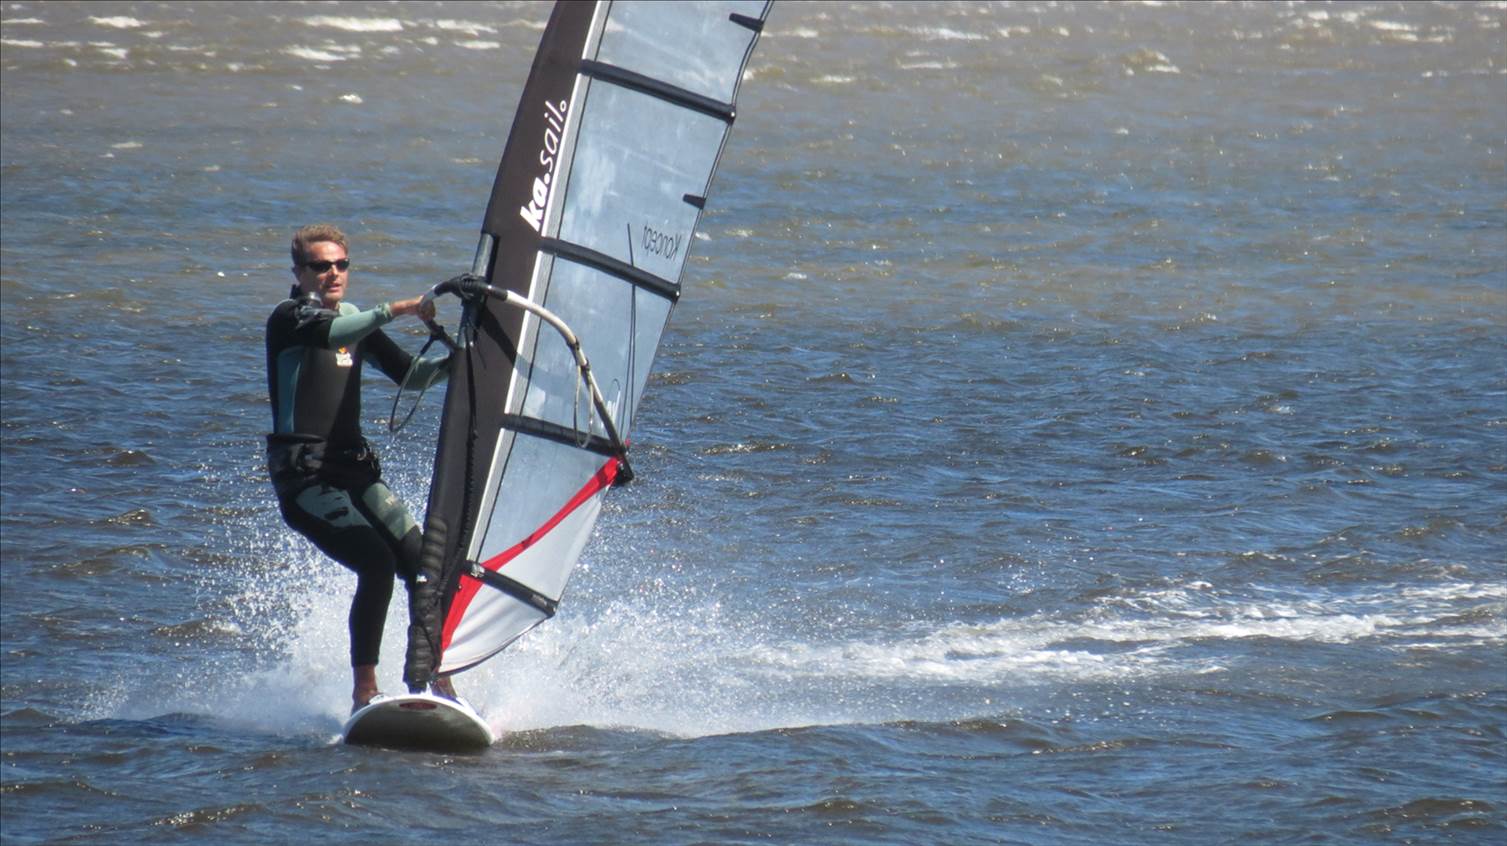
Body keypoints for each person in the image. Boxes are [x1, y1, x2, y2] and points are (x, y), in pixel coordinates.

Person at [263, 223, 457, 711]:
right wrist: (400, 308)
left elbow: (412, 378)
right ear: (299, 272)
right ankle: (364, 692)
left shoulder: (357, 322)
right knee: (376, 563)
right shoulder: (290, 318)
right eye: (320, 266)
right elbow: (334, 333)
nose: (333, 273)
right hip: (307, 479)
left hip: (356, 473)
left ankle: (438, 680)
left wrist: (466, 357)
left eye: (341, 265)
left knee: (423, 563)